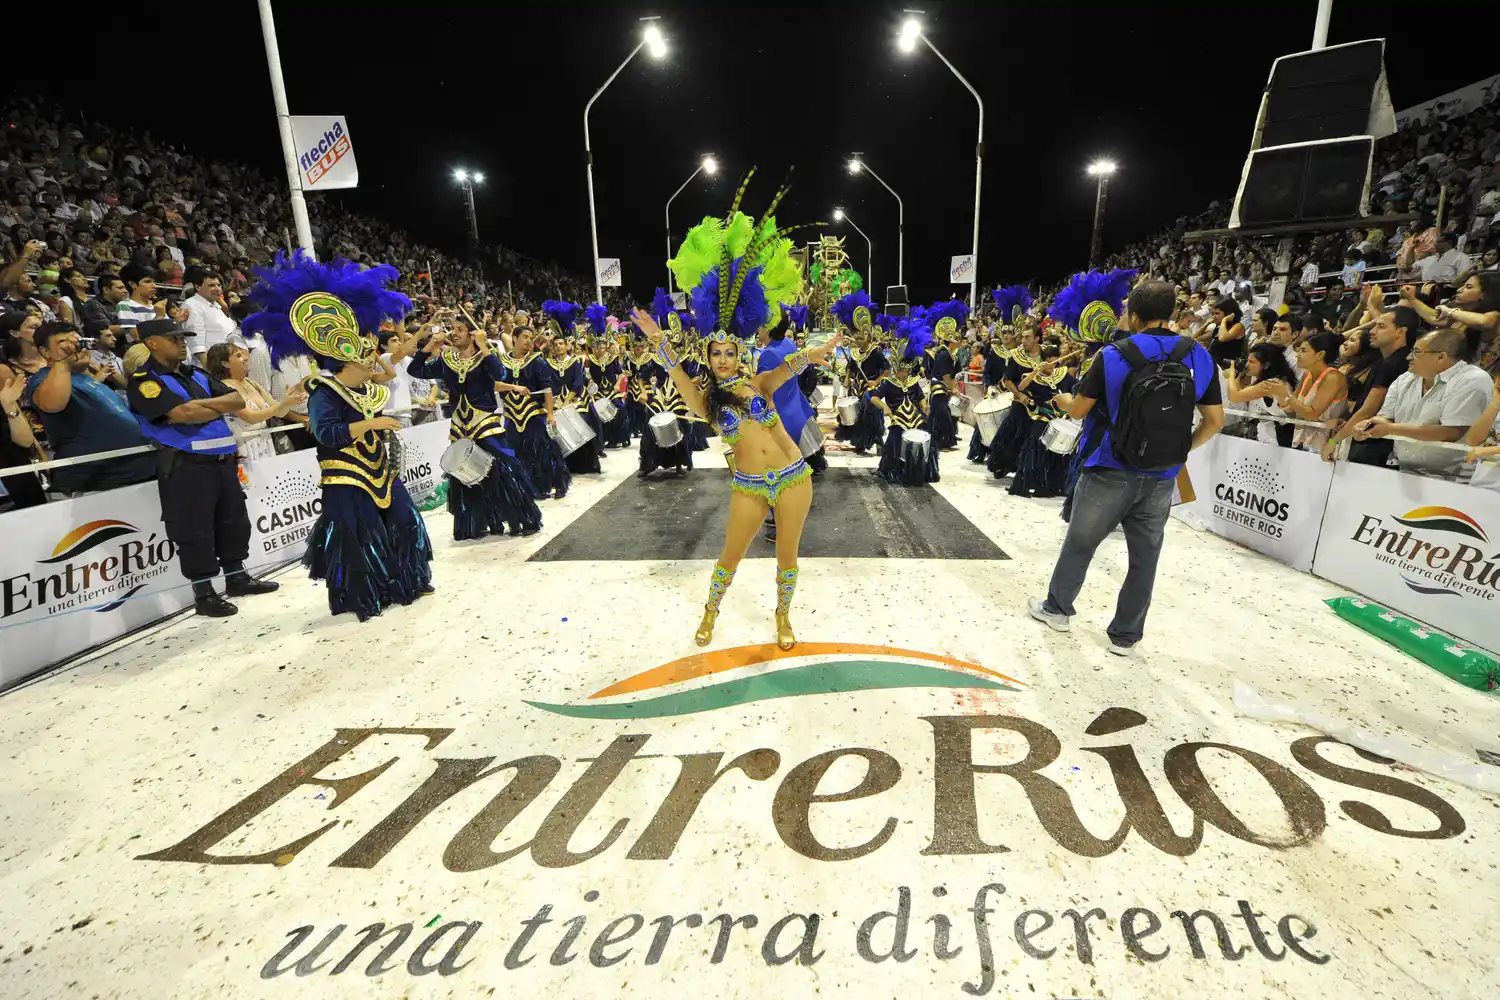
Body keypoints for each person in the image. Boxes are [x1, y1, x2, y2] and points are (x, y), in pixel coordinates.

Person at [650, 179, 844, 650]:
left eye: (727, 352)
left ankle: (782, 617)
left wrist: (813, 355)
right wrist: (667, 355)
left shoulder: (758, 382)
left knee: (788, 556)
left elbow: (787, 369)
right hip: (751, 485)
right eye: (714, 354)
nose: (721, 360)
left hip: (794, 474)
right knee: (730, 556)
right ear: (708, 356)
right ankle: (710, 612)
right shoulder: (708, 401)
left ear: (738, 353)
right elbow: (682, 386)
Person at [1028, 279, 1224, 655]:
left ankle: (1057, 610)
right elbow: (1215, 421)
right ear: (1172, 314)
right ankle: (1125, 636)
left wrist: (1065, 399)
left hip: (1110, 468)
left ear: (1133, 316)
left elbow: (1079, 410)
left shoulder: (1114, 354)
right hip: (1163, 476)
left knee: (1081, 543)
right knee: (1145, 557)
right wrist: (1181, 451)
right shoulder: (1198, 355)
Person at [242, 252, 433, 621]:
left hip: (380, 470)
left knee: (405, 521)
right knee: (357, 535)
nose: (372, 359)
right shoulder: (323, 393)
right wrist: (370, 426)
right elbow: (326, 434)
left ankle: (407, 579)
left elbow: (386, 373)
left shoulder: (364, 389)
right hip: (345, 476)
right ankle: (366, 594)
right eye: (365, 356)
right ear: (346, 360)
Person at [126, 318, 277, 618]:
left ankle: (236, 577)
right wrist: (211, 406)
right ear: (152, 343)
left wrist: (204, 408)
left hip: (221, 461)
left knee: (232, 522)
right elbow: (182, 414)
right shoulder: (145, 381)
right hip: (186, 466)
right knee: (194, 530)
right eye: (174, 338)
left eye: (183, 337)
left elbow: (236, 399)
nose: (182, 342)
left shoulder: (195, 372)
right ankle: (204, 593)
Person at [406, 314, 544, 538]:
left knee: (504, 471)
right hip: (460, 425)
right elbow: (415, 371)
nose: (454, 332)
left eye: (459, 328)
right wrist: (431, 345)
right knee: (465, 477)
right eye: (452, 328)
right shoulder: (447, 361)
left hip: (485, 423)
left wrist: (484, 346)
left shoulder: (485, 357)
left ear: (472, 334)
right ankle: (475, 524)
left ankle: (522, 518)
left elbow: (501, 374)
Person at [26, 321, 156, 496]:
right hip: (97, 480)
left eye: (78, 342)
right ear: (45, 352)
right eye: (64, 343)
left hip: (135, 471)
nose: (76, 348)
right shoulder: (43, 378)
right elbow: (52, 404)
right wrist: (62, 362)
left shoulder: (84, 377)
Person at [1350, 328, 1495, 478]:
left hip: (1452, 478)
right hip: (1404, 471)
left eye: (1417, 352)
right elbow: (1385, 417)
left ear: (1440, 357)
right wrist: (1368, 427)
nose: (1408, 357)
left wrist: (1390, 429)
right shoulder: (1405, 378)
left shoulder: (1473, 380)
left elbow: (1450, 432)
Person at [1322, 302, 1417, 465]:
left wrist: (1334, 442)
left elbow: (1369, 410)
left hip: (1374, 445)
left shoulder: (1395, 363)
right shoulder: (1385, 361)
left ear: (1400, 331)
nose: (1372, 331)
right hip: (1370, 440)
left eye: (1380, 326)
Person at [498, 322, 570, 499]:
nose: (529, 341)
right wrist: (512, 388)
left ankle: (558, 483)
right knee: (516, 453)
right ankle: (525, 486)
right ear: (514, 338)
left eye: (531, 338)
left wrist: (551, 414)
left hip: (533, 412)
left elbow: (547, 389)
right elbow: (494, 384)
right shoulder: (501, 361)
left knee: (544, 451)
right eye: (525, 337)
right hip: (511, 415)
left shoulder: (537, 361)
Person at [205, 342, 306, 463]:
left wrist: (289, 402)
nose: (246, 357)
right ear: (225, 363)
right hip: (243, 449)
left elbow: (279, 413)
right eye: (238, 356)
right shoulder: (223, 387)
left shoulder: (252, 383)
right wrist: (283, 404)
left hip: (266, 444)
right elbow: (251, 417)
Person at [871, 317, 939, 485]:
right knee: (894, 441)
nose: (905, 373)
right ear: (896, 368)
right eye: (902, 370)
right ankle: (893, 470)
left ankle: (923, 471)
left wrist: (925, 407)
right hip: (898, 419)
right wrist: (885, 407)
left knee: (926, 436)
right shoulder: (889, 382)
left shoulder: (913, 381)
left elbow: (921, 397)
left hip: (916, 418)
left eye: (907, 370)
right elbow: (874, 398)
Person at [1008, 343, 1078, 497]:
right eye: (1049, 362)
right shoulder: (1034, 376)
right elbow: (1021, 387)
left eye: (1055, 361)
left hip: (1060, 418)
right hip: (1042, 417)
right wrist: (1036, 371)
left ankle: (1051, 486)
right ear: (1043, 360)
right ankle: (1025, 484)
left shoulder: (1062, 374)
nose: (1053, 365)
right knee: (1032, 451)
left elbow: (1076, 387)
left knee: (1059, 454)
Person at [1268, 333, 1348, 453]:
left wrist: (1286, 395)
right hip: (1302, 441)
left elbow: (1312, 414)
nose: (1298, 355)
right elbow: (1291, 409)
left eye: (1304, 351)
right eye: (1299, 350)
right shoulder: (1307, 374)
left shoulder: (1333, 377)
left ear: (1320, 355)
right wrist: (1278, 394)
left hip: (1328, 445)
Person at [831, 291, 887, 454]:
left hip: (871, 389)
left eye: (861, 337)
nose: (858, 340)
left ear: (868, 337)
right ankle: (860, 442)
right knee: (857, 415)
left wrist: (876, 382)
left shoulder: (876, 352)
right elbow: (851, 368)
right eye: (857, 337)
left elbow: (887, 370)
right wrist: (847, 380)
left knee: (872, 414)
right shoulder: (854, 352)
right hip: (856, 388)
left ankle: (878, 441)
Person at [987, 323, 1042, 478]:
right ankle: (1002, 465)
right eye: (1022, 337)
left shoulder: (1045, 354)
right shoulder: (1015, 356)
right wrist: (1020, 395)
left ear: (1037, 339)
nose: (1023, 340)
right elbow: (1008, 380)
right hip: (1020, 403)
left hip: (1041, 403)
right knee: (1011, 437)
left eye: (1027, 337)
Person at [1225, 342, 1298, 447]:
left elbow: (1235, 397)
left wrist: (1231, 374)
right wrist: (1239, 374)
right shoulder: (1267, 381)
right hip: (1263, 436)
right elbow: (1241, 393)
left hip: (1272, 439)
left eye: (1252, 362)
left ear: (1266, 365)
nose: (1247, 365)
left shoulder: (1271, 384)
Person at [923, 301, 967, 451]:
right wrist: (953, 388)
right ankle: (940, 442)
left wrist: (953, 387)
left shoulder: (949, 354)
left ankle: (940, 441)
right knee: (941, 416)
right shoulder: (943, 354)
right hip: (939, 388)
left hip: (943, 389)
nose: (960, 342)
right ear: (952, 340)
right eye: (958, 339)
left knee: (941, 416)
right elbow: (946, 375)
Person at [179, 266, 237, 364]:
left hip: (227, 362)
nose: (218, 289)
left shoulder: (216, 305)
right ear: (198, 287)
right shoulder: (191, 305)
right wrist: (211, 370)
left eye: (219, 285)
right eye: (212, 285)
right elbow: (196, 344)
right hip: (209, 366)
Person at [1462, 371, 1500, 491]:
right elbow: (1472, 441)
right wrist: (1495, 405)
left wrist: (1490, 450)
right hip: (1481, 485)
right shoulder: (1495, 409)